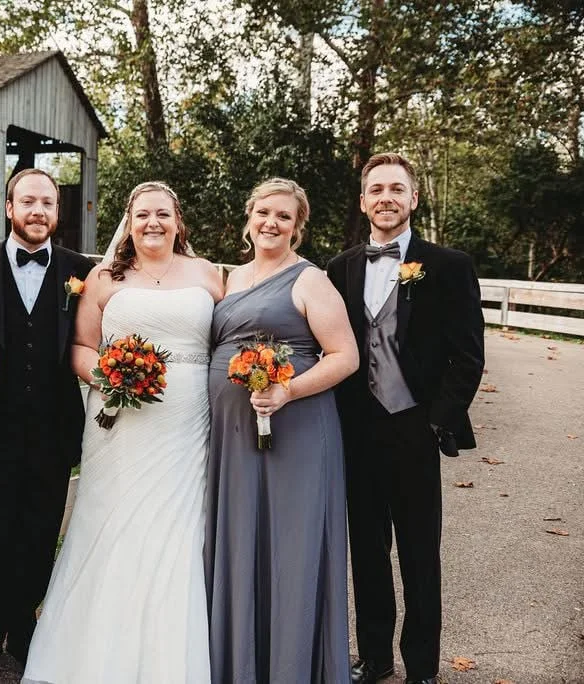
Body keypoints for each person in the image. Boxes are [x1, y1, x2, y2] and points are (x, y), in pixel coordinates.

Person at [21, 181, 223, 684]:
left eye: (162, 214)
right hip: (119, 418)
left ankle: (170, 657)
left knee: (179, 529)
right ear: (128, 223)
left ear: (179, 221)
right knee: (111, 522)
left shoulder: (209, 274)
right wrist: (112, 378)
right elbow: (82, 348)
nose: (152, 223)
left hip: (188, 419)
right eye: (141, 215)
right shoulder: (105, 277)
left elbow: (233, 332)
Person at [326, 153, 485, 684]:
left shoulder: (449, 265)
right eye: (376, 189)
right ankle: (374, 658)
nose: (386, 198)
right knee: (367, 552)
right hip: (356, 432)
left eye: (397, 189)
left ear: (414, 199)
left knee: (420, 554)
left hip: (415, 427)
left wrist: (438, 420)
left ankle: (421, 666)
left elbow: (468, 354)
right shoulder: (340, 268)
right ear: (363, 200)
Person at [204, 178, 358, 683]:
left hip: (295, 434)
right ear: (248, 217)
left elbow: (345, 357)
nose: (272, 223)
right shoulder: (230, 278)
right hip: (233, 437)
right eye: (264, 212)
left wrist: (288, 389)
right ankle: (240, 663)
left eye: (284, 217)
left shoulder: (310, 280)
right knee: (241, 540)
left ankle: (290, 666)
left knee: (290, 546)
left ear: (298, 228)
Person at [0, 168, 94, 676]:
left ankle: (26, 623)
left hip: (53, 431)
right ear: (9, 208)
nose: (38, 211)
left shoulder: (83, 272)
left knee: (40, 530)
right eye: (27, 201)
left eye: (48, 204)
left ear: (58, 213)